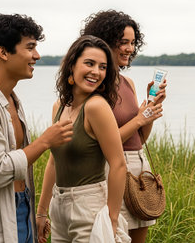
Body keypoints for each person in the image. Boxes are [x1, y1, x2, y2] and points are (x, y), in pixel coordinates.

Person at [0, 14, 73, 243]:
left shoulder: (12, 100)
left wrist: (35, 213)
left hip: (23, 206)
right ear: (3, 53)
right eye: (30, 47)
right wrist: (44, 142)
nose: (37, 55)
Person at [81, 10, 166, 243]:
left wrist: (148, 111)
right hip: (113, 170)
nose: (129, 49)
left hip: (139, 167)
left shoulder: (127, 82)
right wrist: (139, 119)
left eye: (132, 43)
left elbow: (139, 138)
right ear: (104, 43)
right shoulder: (96, 87)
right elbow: (101, 145)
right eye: (123, 43)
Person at [35, 35, 127, 242]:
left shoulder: (96, 106)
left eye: (102, 67)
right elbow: (54, 161)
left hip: (89, 207)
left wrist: (112, 219)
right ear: (72, 66)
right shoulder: (59, 106)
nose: (96, 72)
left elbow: (118, 164)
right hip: (58, 206)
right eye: (89, 63)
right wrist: (42, 211)